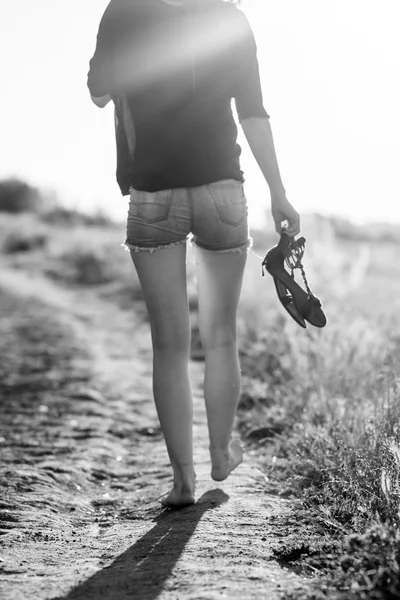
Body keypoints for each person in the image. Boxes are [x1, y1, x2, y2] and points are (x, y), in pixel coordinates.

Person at [88, 0, 300, 508]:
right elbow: (252, 110)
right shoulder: (228, 16)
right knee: (221, 336)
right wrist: (278, 191)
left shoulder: (123, 10)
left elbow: (98, 94)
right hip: (223, 192)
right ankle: (222, 453)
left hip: (153, 195)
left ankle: (183, 481)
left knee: (169, 344)